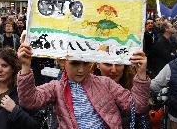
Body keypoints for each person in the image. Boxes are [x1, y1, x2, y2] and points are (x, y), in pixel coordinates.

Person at [17, 42, 150, 129]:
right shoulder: (55, 87)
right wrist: (25, 66)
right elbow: (29, 101)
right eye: (75, 63)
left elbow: (137, 106)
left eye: (86, 63)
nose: (81, 70)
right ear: (63, 62)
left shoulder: (106, 83)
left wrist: (142, 74)